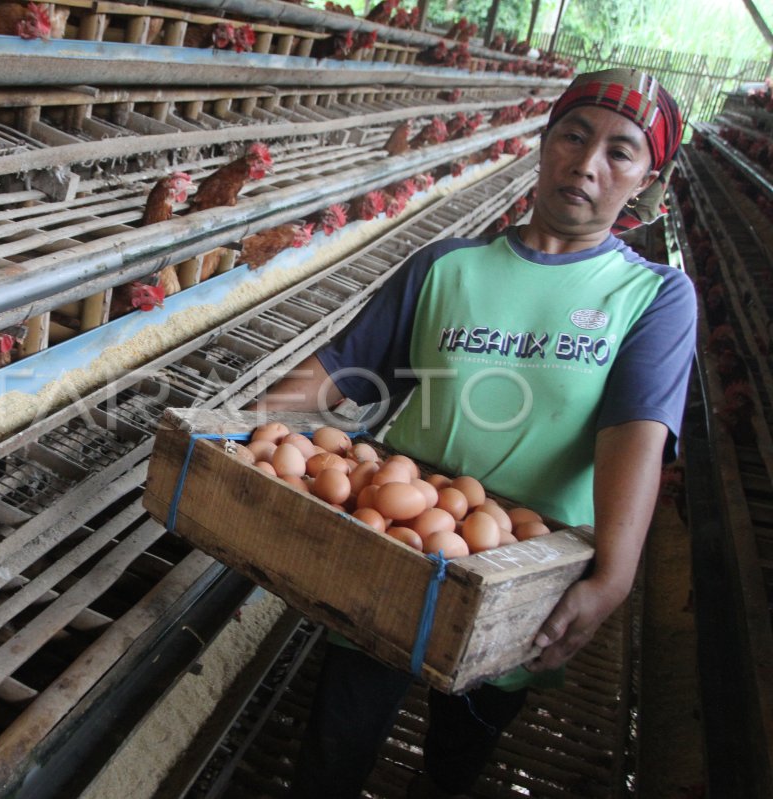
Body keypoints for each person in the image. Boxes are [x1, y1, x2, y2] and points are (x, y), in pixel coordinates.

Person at [250, 69, 695, 798]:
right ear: (545, 144)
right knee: (337, 742)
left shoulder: (651, 296)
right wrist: (244, 431)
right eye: (574, 136)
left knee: (460, 749)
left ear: (647, 179)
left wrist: (612, 578)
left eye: (620, 152)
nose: (587, 163)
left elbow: (634, 437)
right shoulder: (446, 267)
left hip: (525, 576)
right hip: (393, 548)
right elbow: (341, 371)